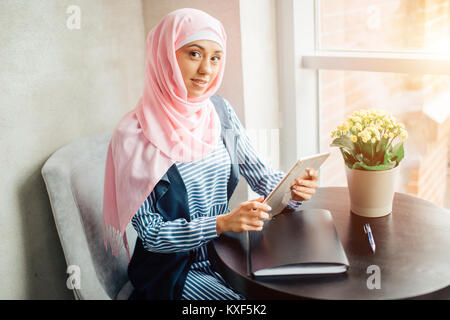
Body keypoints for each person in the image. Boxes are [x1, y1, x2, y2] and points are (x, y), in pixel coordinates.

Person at [102, 8, 319, 300]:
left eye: (215, 57)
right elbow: (151, 234)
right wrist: (222, 223)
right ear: (165, 54)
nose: (207, 70)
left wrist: (293, 190)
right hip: (174, 272)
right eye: (194, 54)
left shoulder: (219, 111)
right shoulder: (133, 135)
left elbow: (263, 177)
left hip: (229, 254)